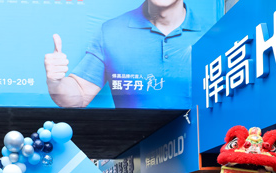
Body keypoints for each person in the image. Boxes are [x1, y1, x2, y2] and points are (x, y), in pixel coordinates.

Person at [44, 0, 211, 109]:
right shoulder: (111, 31)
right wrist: (55, 83)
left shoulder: (213, 33)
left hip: (202, 149)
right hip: (138, 149)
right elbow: (80, 94)